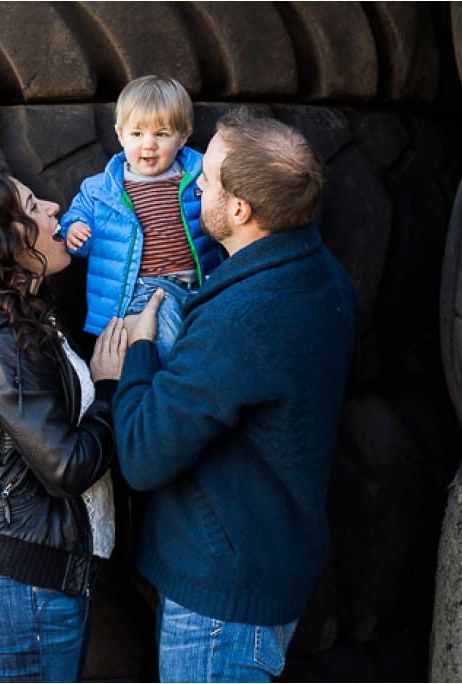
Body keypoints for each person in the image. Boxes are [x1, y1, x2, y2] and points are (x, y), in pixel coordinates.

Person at [112, 109, 358, 682]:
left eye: (208, 179)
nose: (192, 180)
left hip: (219, 610)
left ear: (241, 210)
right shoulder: (324, 274)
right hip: (266, 561)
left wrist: (137, 355)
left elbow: (143, 457)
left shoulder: (240, 322)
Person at [0, 168, 127, 682]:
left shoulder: (28, 322)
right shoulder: (5, 346)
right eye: (33, 206)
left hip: (41, 584)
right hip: (26, 590)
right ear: (8, 238)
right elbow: (65, 467)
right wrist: (109, 387)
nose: (53, 209)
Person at [57, 75, 224, 364]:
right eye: (137, 134)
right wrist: (75, 231)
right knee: (166, 344)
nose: (149, 145)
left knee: (210, 346)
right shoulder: (101, 190)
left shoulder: (199, 178)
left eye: (161, 134)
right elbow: (76, 219)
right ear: (120, 135)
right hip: (141, 291)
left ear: (183, 136)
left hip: (199, 285)